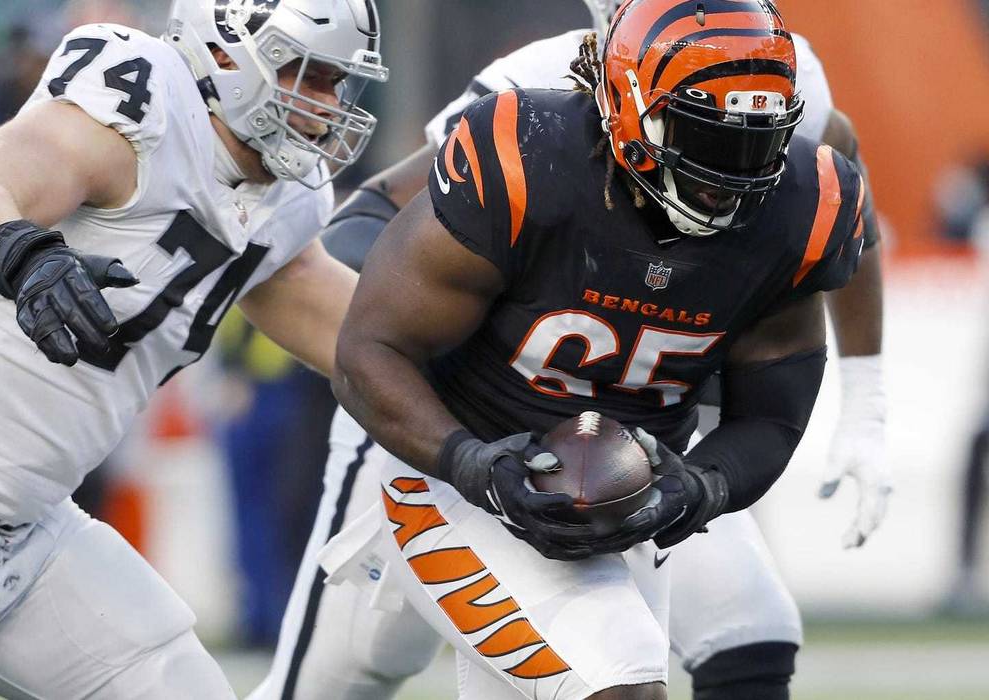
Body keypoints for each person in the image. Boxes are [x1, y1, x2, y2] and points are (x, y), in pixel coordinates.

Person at [250, 1, 886, 698]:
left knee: (742, 632)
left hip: (625, 470)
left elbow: (771, 414)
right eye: (705, 138)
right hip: (452, 458)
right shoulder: (524, 143)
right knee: (602, 675)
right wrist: (473, 463)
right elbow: (371, 344)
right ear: (626, 100)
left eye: (757, 144)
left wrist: (700, 486)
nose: (729, 177)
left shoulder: (802, 189)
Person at [0, 0, 386, 697]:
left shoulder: (287, 203)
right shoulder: (138, 94)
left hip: (29, 530)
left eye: (336, 84)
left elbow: (371, 346)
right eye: (309, 76)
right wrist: (25, 256)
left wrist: (510, 395)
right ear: (227, 52)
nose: (325, 106)